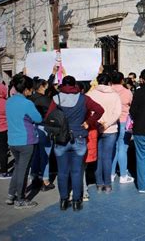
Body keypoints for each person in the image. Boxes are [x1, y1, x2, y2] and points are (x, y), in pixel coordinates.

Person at [46, 75, 104, 211]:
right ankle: (77, 201)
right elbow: (100, 110)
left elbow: (48, 117)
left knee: (62, 172)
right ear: (75, 85)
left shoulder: (56, 99)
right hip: (79, 137)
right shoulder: (84, 99)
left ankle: (63, 200)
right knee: (77, 171)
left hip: (61, 139)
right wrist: (88, 122)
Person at [5, 75, 42, 209]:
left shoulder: (9, 101)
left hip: (13, 140)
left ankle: (11, 194)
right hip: (26, 141)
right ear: (26, 89)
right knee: (23, 171)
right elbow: (38, 118)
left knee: (18, 168)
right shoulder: (27, 103)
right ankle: (20, 199)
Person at [85, 73, 121, 194]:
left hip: (94, 128)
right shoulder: (115, 95)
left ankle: (99, 183)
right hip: (110, 129)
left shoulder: (90, 94)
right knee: (107, 157)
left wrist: (98, 122)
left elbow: (88, 112)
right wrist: (107, 123)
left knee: (97, 157)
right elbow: (117, 113)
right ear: (109, 82)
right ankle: (108, 184)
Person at [28, 77, 54, 191]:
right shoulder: (45, 99)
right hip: (44, 127)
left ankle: (34, 177)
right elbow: (53, 113)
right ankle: (45, 180)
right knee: (45, 155)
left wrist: (52, 75)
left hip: (32, 127)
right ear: (42, 86)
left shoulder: (30, 98)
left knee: (35, 154)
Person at [110, 71, 134, 184]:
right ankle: (123, 175)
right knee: (122, 148)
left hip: (110, 122)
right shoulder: (127, 92)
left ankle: (111, 174)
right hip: (124, 121)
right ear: (122, 80)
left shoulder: (108, 91)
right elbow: (132, 106)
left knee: (113, 148)